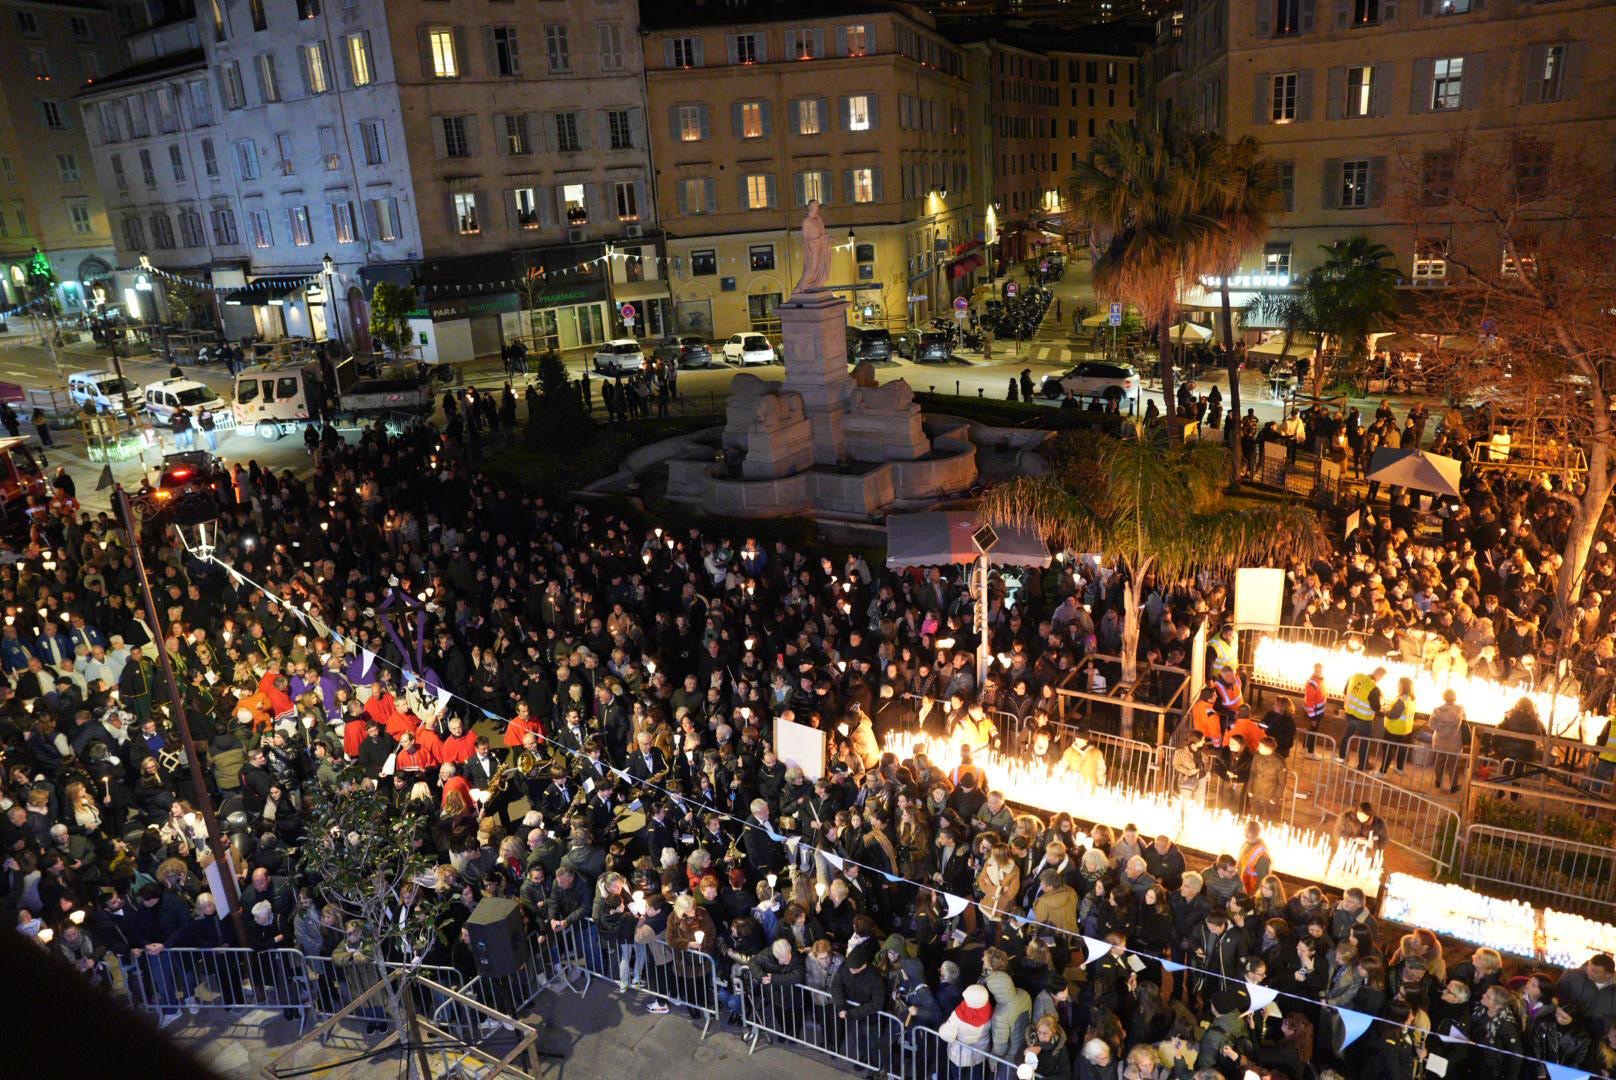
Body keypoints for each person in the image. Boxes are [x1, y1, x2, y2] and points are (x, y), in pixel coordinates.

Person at [1340, 667, 1385, 771]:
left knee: (1347, 735)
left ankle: (1342, 757)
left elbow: (1345, 691)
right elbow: (1376, 707)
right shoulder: (1374, 688)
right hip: (1363, 719)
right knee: (1364, 741)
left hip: (1350, 713)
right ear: (1379, 676)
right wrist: (1381, 701)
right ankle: (1363, 764)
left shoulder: (1355, 677)